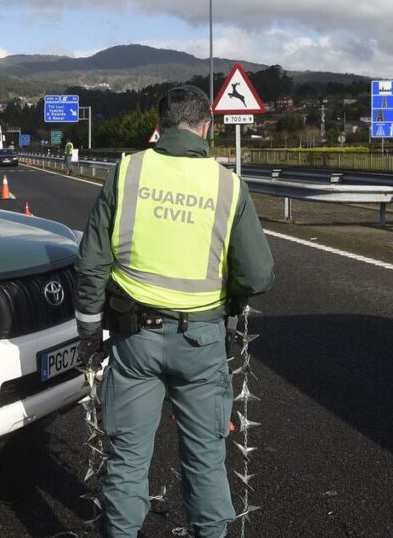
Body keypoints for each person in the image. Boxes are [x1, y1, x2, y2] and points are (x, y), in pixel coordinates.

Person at [73, 85, 274, 538]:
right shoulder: (227, 184)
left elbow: (92, 262)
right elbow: (259, 275)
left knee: (128, 458)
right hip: (201, 343)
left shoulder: (126, 172)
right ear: (207, 127)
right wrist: (230, 295)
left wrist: (88, 326)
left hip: (134, 341)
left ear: (159, 125)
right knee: (205, 457)